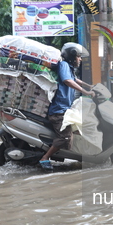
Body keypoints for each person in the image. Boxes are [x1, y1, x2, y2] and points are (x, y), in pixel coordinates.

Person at [38, 43, 95, 171]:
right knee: (65, 137)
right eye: (79, 57)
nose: (80, 59)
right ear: (72, 56)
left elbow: (74, 79)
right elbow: (67, 81)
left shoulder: (68, 67)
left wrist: (90, 86)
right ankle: (45, 158)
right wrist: (86, 92)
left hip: (65, 109)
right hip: (58, 111)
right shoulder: (63, 65)